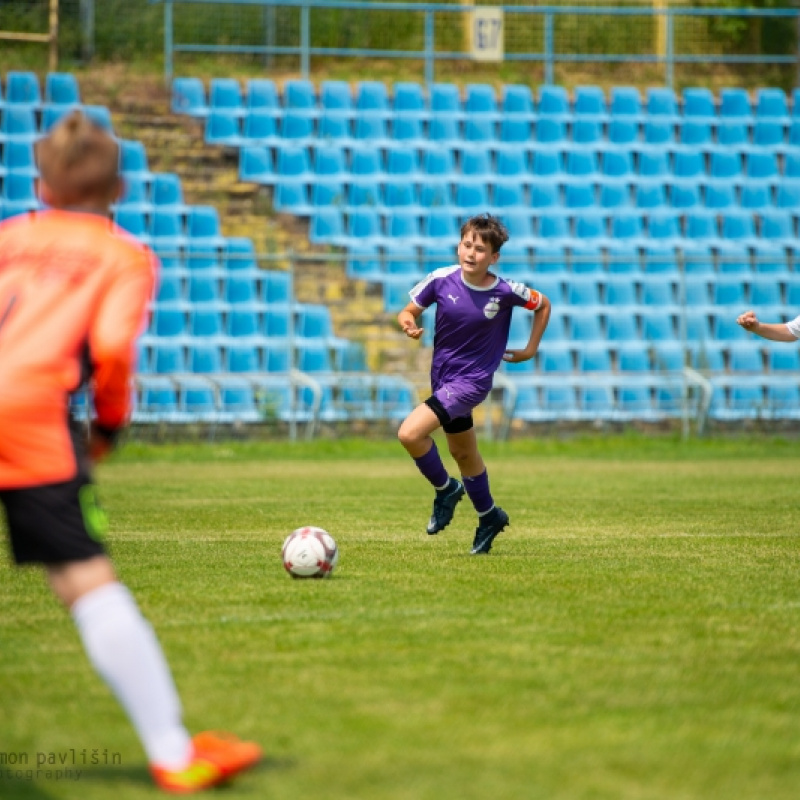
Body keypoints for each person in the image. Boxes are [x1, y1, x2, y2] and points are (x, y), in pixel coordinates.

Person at [0, 110, 261, 794]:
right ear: (118, 188)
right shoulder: (122, 256)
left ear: (41, 183)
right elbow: (113, 350)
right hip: (27, 417)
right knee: (87, 582)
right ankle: (173, 753)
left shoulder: (6, 239)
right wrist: (108, 427)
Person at [396, 213, 551, 554]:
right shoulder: (440, 279)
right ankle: (489, 515)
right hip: (443, 379)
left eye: (480, 249)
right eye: (467, 245)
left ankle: (446, 489)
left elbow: (543, 304)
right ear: (458, 245)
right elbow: (407, 312)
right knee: (463, 453)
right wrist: (409, 325)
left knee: (409, 433)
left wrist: (530, 349)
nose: (471, 253)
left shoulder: (505, 290)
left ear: (494, 257)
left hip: (472, 382)